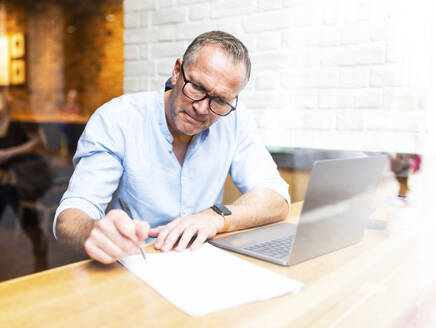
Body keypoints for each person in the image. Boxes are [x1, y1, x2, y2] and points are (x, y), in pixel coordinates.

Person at [54, 31, 290, 264]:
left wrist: (215, 217)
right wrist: (92, 230)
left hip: (201, 264)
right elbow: (72, 215)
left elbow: (276, 198)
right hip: (134, 264)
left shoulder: (235, 120)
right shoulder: (117, 119)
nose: (201, 109)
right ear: (177, 71)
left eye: (219, 100)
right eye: (197, 87)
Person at [0, 88, 49, 271]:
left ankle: (41, 264)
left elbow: (40, 141)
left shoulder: (19, 117)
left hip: (17, 182)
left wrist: (10, 153)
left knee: (30, 226)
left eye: (0, 112)